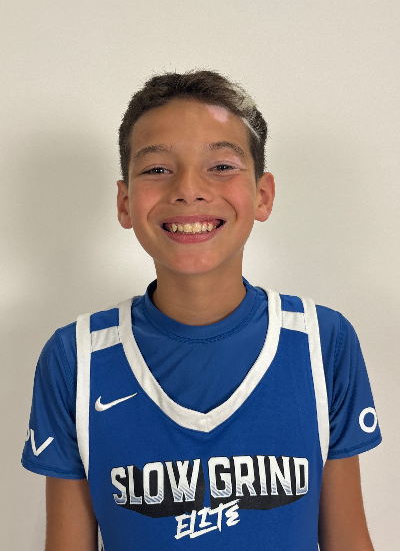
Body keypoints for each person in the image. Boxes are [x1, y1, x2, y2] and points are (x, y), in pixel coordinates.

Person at [22, 70, 381, 551]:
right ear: (125, 203)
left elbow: (349, 539)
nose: (188, 189)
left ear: (262, 195)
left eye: (221, 166)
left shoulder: (321, 341)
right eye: (157, 169)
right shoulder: (77, 358)